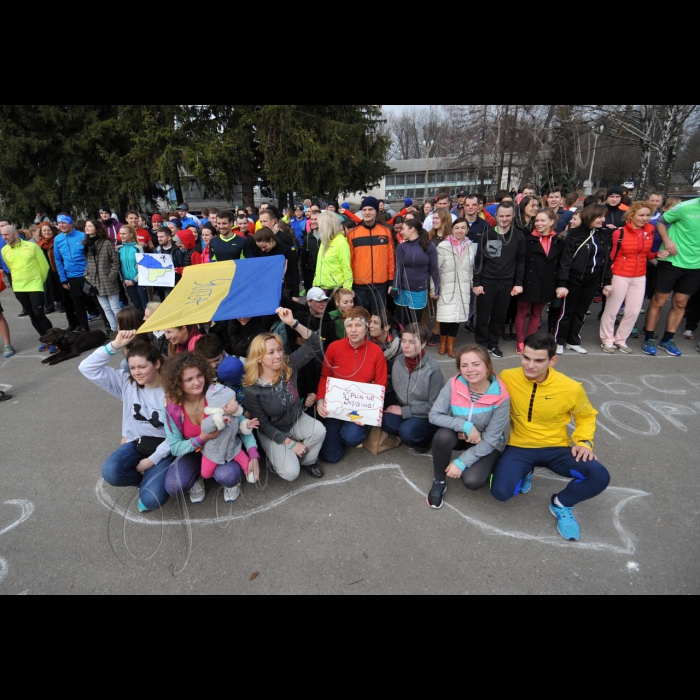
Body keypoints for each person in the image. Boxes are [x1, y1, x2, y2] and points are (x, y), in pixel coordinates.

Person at [491, 333, 611, 542]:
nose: (530, 365)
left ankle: (561, 504)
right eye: (526, 358)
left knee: (599, 476)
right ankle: (524, 471)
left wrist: (584, 442)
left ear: (552, 360)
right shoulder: (508, 376)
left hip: (556, 447)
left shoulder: (571, 388)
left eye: (539, 360)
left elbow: (587, 416)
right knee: (501, 493)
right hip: (520, 446)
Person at [79, 331, 175, 513]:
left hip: (166, 448)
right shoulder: (126, 383)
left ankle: (156, 477)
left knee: (151, 500)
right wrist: (113, 345)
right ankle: (147, 481)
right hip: (137, 444)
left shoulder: (171, 391)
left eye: (142, 367)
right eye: (132, 368)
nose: (137, 372)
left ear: (157, 363)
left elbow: (178, 434)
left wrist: (151, 461)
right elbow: (87, 368)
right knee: (111, 472)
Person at [162, 353, 259, 505]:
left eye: (199, 375)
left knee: (228, 475)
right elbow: (175, 447)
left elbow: (240, 421)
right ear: (177, 383)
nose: (197, 382)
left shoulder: (216, 393)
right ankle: (197, 477)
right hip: (192, 452)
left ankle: (227, 480)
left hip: (223, 448)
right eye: (188, 379)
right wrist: (202, 438)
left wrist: (253, 452)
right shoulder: (171, 407)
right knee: (174, 485)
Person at [244, 307, 327, 481]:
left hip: (295, 419)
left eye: (280, 350)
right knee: (290, 473)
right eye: (271, 352)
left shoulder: (288, 365)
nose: (278, 356)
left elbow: (315, 344)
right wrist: (290, 443)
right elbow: (264, 425)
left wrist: (293, 323)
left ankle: (308, 461)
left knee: (319, 430)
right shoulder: (252, 387)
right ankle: (285, 452)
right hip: (272, 431)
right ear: (259, 358)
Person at [427, 344, 511, 509]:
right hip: (462, 434)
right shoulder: (454, 384)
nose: (470, 370)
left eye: (476, 364)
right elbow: (434, 415)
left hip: (487, 441)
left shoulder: (501, 396)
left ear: (487, 366)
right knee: (443, 436)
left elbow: (491, 439)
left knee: (472, 481)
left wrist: (461, 462)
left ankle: (495, 463)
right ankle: (439, 481)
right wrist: (465, 425)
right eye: (464, 365)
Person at [317, 307, 388, 464]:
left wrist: (368, 414)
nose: (353, 330)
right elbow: (325, 376)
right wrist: (320, 399)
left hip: (359, 410)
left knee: (352, 438)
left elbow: (380, 385)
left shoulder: (376, 352)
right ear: (344, 327)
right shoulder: (334, 347)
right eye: (349, 325)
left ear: (367, 327)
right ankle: (341, 431)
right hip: (336, 407)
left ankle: (358, 430)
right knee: (330, 457)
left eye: (358, 325)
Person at [600, 202, 661, 354]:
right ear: (631, 215)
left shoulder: (650, 230)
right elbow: (611, 256)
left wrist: (657, 255)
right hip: (620, 274)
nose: (645, 218)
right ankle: (607, 339)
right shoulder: (619, 233)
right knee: (612, 310)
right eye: (641, 215)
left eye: (648, 215)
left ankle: (620, 339)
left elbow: (647, 253)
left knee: (633, 311)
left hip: (640, 275)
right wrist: (607, 279)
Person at [642, 196, 700, 357]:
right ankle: (648, 337)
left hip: (695, 265)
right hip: (671, 261)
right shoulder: (684, 207)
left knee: (681, 304)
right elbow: (660, 221)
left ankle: (667, 339)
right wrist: (667, 240)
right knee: (659, 301)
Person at [554, 204, 612, 355]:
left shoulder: (603, 235)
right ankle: (559, 341)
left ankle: (573, 340)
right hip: (574, 279)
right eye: (600, 217)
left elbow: (606, 260)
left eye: (603, 216)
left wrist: (606, 282)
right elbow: (565, 261)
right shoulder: (574, 234)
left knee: (581, 312)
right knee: (567, 311)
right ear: (590, 216)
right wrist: (562, 283)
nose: (603, 220)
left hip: (592, 280)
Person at [471, 202, 526, 358]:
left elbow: (521, 261)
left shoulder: (518, 236)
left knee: (499, 316)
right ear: (496, 216)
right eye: (501, 215)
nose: (504, 219)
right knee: (482, 316)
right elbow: (479, 261)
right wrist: (476, 283)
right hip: (487, 282)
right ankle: (481, 344)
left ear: (513, 215)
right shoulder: (488, 235)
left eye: (508, 215)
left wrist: (518, 283)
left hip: (507, 282)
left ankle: (493, 344)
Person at [382, 324, 444, 451]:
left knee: (407, 432)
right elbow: (394, 388)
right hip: (404, 404)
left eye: (411, 342)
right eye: (403, 341)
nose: (405, 346)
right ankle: (410, 431)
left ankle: (426, 438)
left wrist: (404, 412)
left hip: (425, 413)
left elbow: (434, 406)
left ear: (422, 344)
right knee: (385, 422)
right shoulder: (398, 361)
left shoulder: (432, 368)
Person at [515, 208, 565, 355]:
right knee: (522, 312)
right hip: (528, 281)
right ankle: (520, 341)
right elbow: (521, 262)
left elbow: (561, 264)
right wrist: (518, 282)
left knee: (537, 313)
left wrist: (560, 284)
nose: (538, 223)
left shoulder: (558, 242)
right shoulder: (527, 240)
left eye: (542, 220)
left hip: (546, 282)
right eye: (537, 220)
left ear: (551, 221)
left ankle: (530, 341)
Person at [1, 224, 52, 347]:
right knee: (32, 314)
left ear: (15, 234)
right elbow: (10, 267)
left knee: (39, 313)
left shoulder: (32, 247)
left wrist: (39, 282)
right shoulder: (4, 250)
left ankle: (53, 340)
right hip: (19, 287)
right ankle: (45, 340)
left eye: (6, 234)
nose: (4, 237)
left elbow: (44, 266)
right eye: (2, 235)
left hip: (35, 285)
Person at [435, 218, 478, 357]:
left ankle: (450, 345)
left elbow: (471, 269)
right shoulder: (443, 246)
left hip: (463, 287)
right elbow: (435, 270)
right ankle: (442, 343)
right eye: (457, 228)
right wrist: (434, 288)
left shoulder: (471, 246)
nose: (460, 231)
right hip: (446, 286)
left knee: (457, 318)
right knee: (445, 317)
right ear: (452, 229)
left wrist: (473, 285)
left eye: (463, 228)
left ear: (467, 230)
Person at [346, 197, 396, 315]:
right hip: (359, 286)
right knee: (361, 319)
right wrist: (349, 284)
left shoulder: (385, 231)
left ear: (376, 211)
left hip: (380, 286)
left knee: (378, 319)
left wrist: (391, 281)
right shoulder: (353, 233)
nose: (367, 212)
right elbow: (349, 261)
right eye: (364, 210)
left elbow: (390, 258)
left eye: (370, 209)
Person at [392, 218, 440, 330]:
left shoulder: (429, 246)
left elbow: (434, 269)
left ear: (412, 229)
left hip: (419, 290)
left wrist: (436, 287)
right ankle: (401, 345)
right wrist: (395, 287)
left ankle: (416, 344)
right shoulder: (402, 247)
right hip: (402, 290)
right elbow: (398, 268)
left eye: (403, 229)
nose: (401, 232)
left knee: (415, 323)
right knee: (402, 322)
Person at [84, 219, 121, 339]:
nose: (87, 228)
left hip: (108, 280)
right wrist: (87, 274)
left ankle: (122, 328)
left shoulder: (106, 243)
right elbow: (88, 262)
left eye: (89, 226)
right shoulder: (87, 244)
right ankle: (114, 330)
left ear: (96, 228)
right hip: (95, 281)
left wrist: (111, 276)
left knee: (115, 307)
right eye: (86, 226)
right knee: (105, 308)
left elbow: (115, 261)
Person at [54, 214, 92, 332]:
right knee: (78, 303)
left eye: (64, 222)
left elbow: (90, 256)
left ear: (71, 223)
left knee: (93, 300)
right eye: (59, 223)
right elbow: (58, 260)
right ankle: (85, 328)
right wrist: (63, 278)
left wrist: (90, 273)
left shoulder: (82, 236)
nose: (61, 225)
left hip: (86, 276)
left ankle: (108, 326)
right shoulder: (58, 239)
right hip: (71, 277)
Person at [313, 211, 353, 293]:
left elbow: (347, 269)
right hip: (320, 288)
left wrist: (347, 291)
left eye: (320, 224)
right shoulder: (324, 241)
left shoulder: (341, 243)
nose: (318, 226)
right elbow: (320, 265)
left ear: (326, 226)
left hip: (336, 290)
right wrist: (315, 283)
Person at [117, 225, 149, 313]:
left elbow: (143, 267)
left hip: (139, 281)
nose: (122, 236)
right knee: (136, 306)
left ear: (131, 235)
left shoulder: (138, 248)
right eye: (120, 233)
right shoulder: (119, 249)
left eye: (124, 233)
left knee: (145, 305)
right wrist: (124, 279)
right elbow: (119, 266)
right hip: (127, 281)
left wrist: (134, 280)